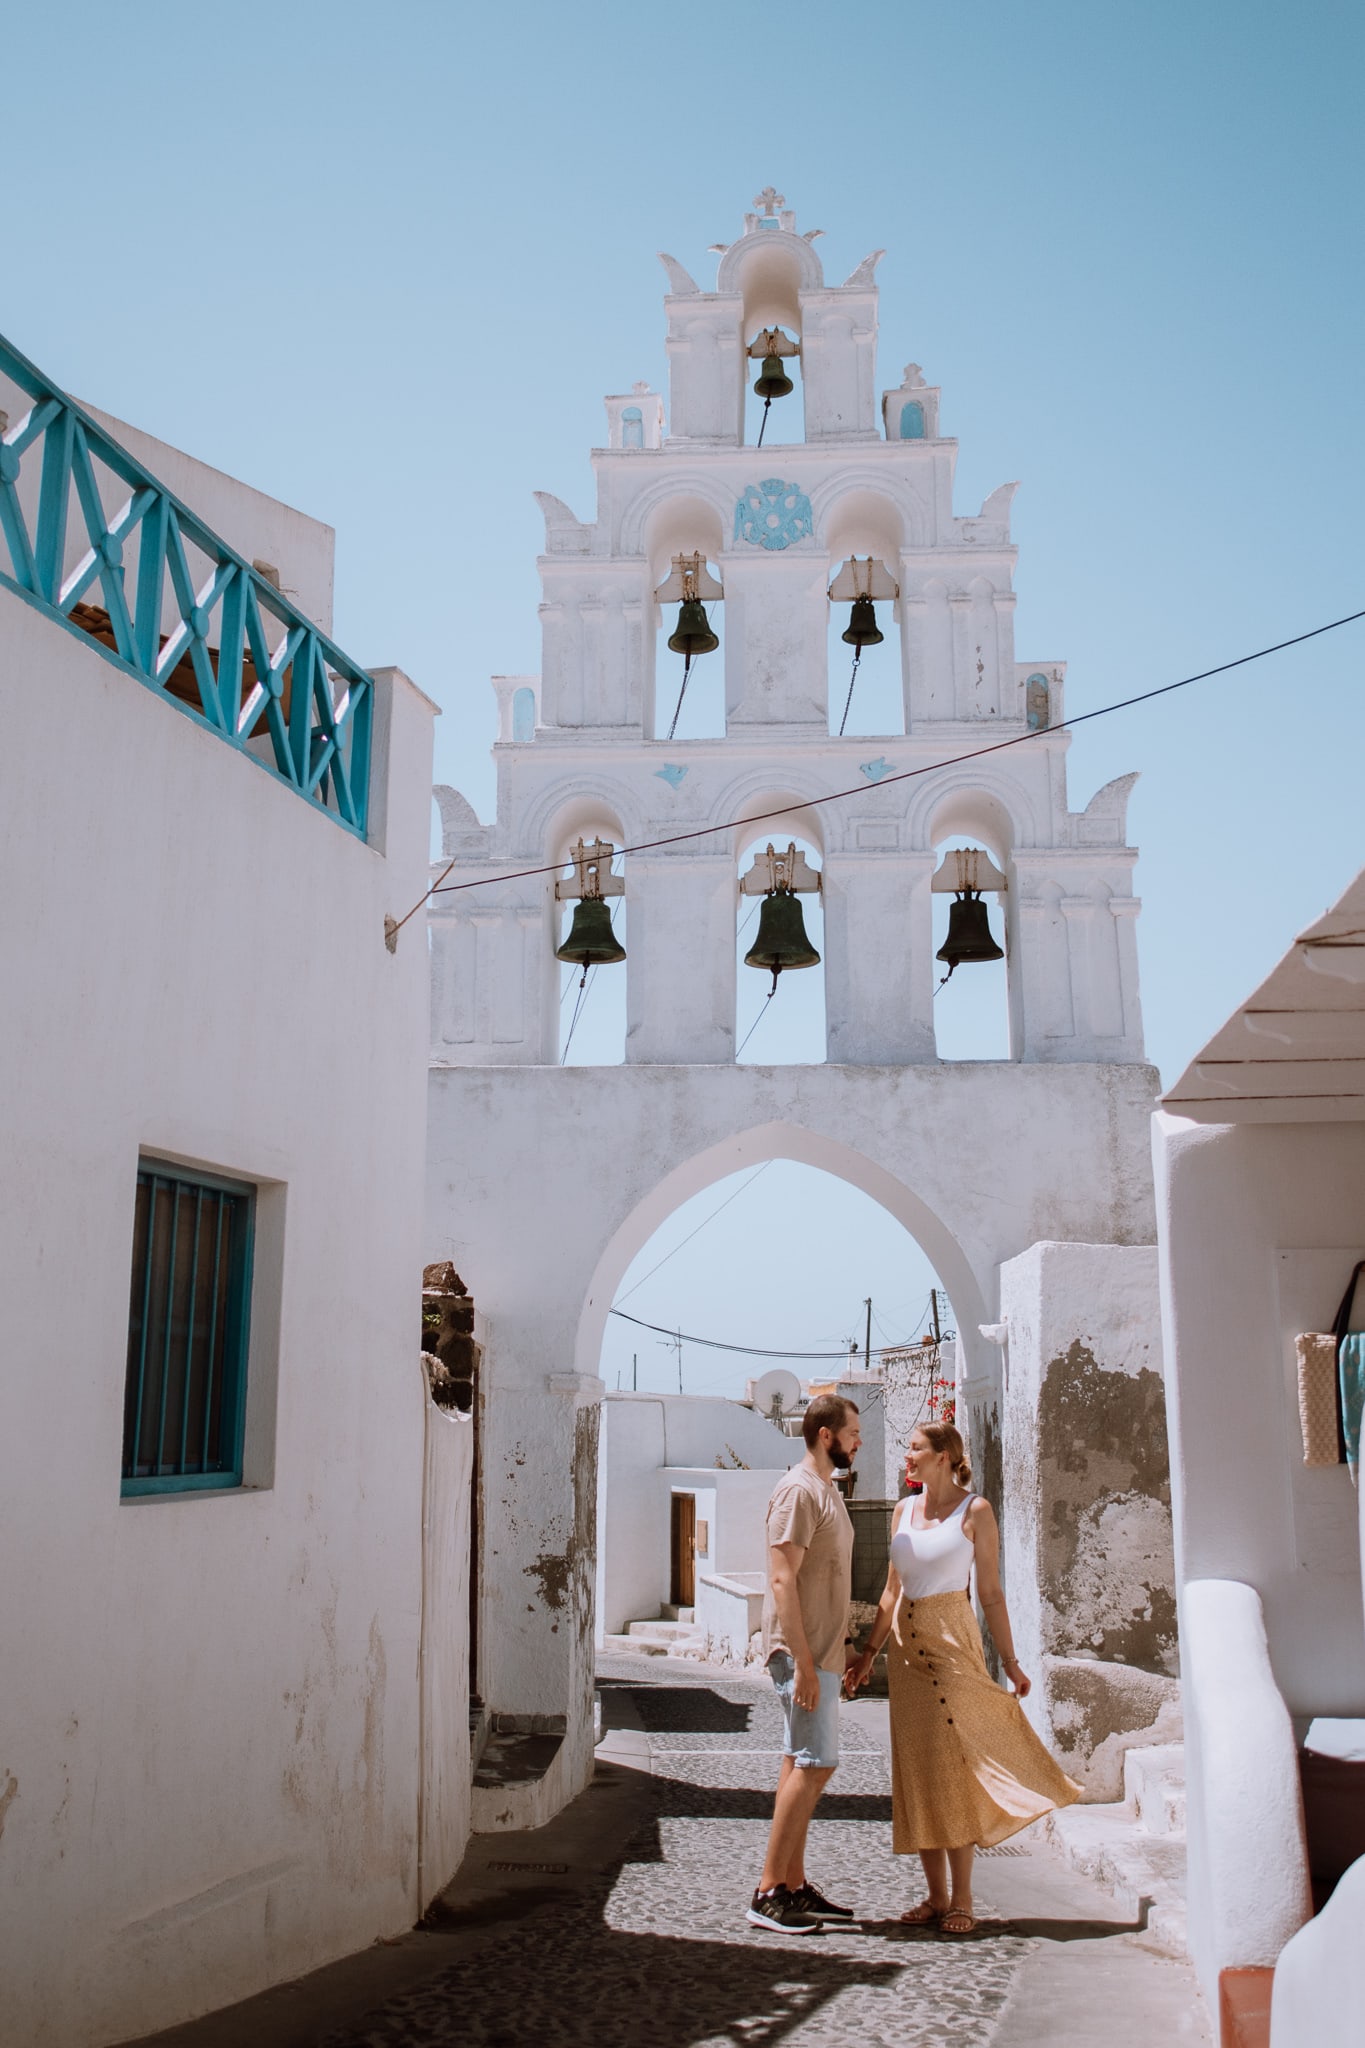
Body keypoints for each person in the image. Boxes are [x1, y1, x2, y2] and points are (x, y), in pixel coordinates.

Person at [846, 1421, 1080, 1935]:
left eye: (916, 1449)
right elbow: (890, 1592)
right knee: (918, 1769)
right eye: (908, 1449)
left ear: (946, 1456)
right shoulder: (903, 1511)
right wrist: (867, 1655)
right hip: (906, 1657)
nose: (907, 1457)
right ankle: (933, 1896)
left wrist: (1012, 1662)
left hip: (952, 1644)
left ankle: (963, 1897)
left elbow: (991, 1593)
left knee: (953, 1766)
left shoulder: (975, 1511)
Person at [747, 1393, 863, 1934]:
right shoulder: (798, 1490)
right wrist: (806, 1664)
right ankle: (768, 1890)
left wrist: (844, 1647)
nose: (858, 1441)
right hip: (803, 1652)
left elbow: (827, 1576)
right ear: (826, 1435)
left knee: (800, 1760)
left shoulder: (826, 1490)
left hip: (823, 1649)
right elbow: (781, 1578)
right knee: (818, 1761)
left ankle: (792, 1886)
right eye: (852, 1432)